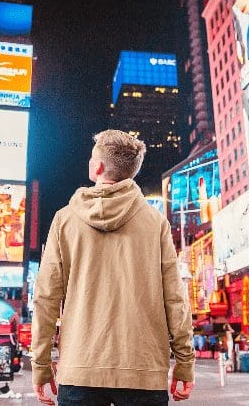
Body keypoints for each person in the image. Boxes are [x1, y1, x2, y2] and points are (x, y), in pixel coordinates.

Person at [32, 130, 195, 405]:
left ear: (97, 167)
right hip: (143, 372)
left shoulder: (65, 220)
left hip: (79, 370)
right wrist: (184, 363)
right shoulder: (156, 223)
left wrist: (41, 364)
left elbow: (46, 298)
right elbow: (176, 299)